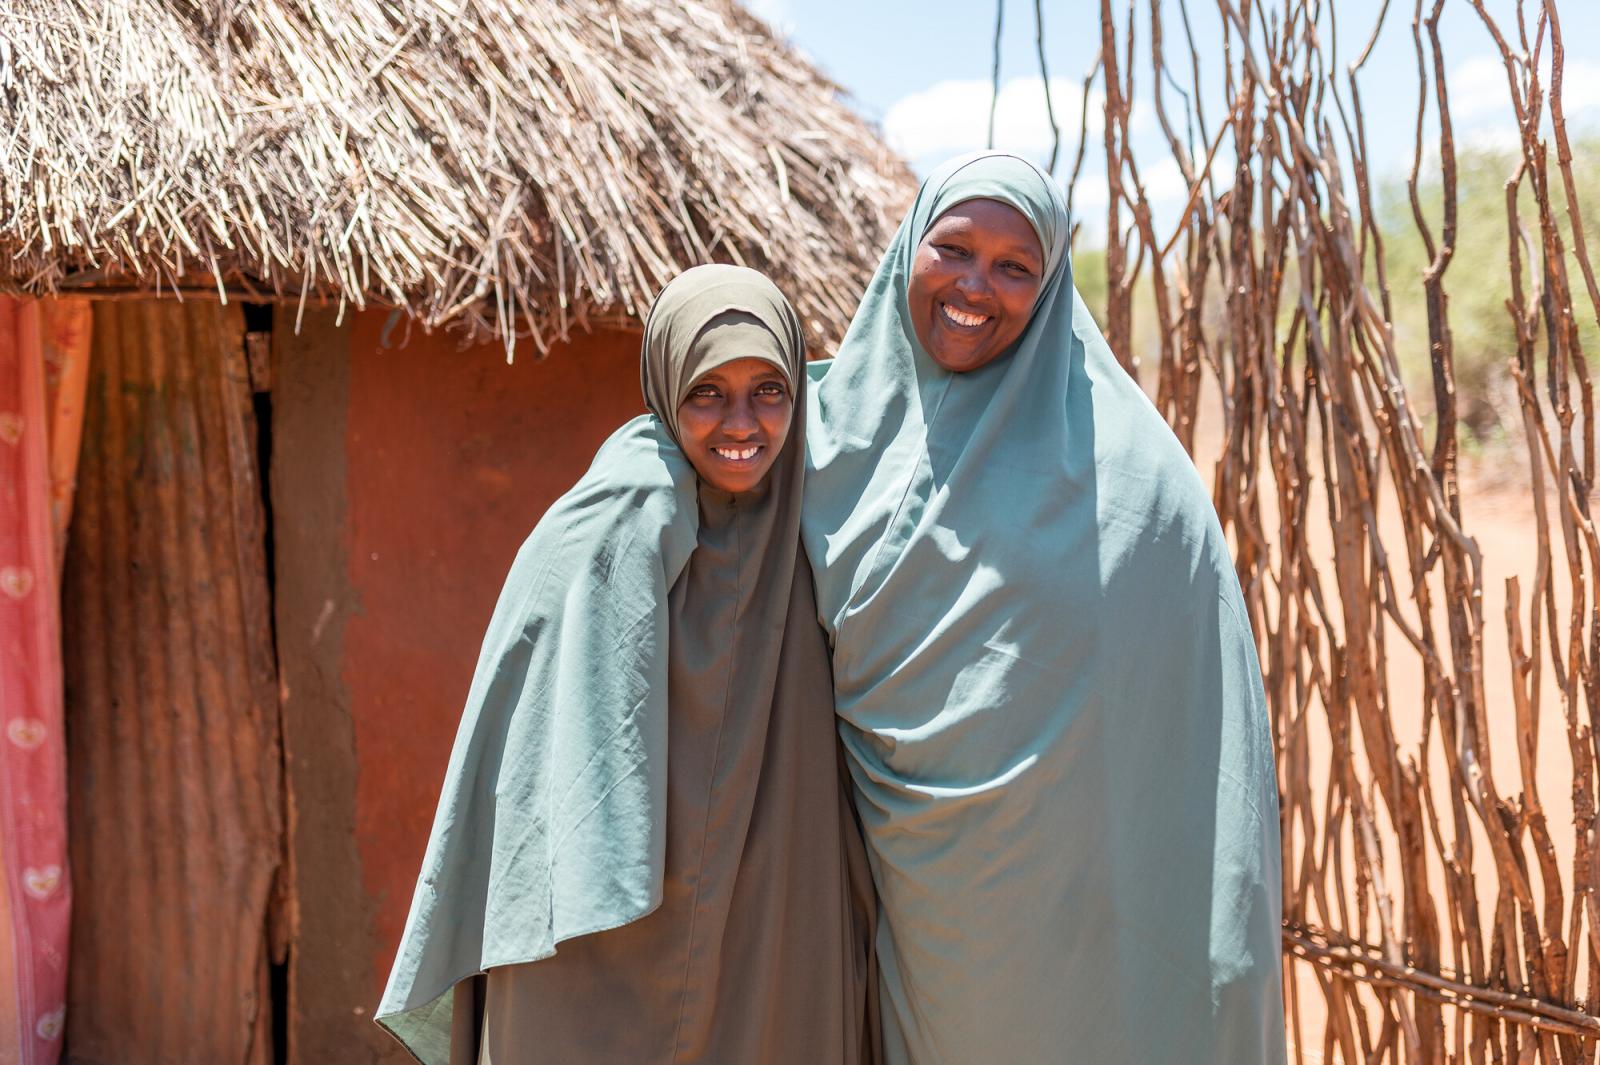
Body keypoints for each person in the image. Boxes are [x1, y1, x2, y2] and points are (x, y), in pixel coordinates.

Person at [801, 151, 1285, 1063]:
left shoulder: (1137, 479)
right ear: (911, 247)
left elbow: (1189, 737)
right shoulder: (821, 436)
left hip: (1077, 918)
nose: (975, 285)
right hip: (906, 904)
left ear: (1052, 283)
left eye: (1015, 266)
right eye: (954, 248)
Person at [376, 265, 877, 1065]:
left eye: (769, 390)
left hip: (766, 917)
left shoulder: (814, 517)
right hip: (604, 943)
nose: (740, 422)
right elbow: (549, 726)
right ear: (664, 383)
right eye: (706, 392)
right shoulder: (622, 511)